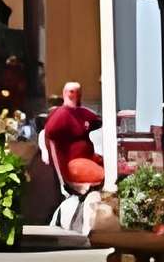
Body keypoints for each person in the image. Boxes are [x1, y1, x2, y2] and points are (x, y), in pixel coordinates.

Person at [41, 80, 106, 233]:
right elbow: (49, 137)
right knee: (106, 174)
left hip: (89, 158)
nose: (74, 94)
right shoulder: (61, 115)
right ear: (65, 94)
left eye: (76, 91)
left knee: (110, 165)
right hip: (74, 163)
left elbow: (99, 121)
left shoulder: (83, 113)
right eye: (70, 91)